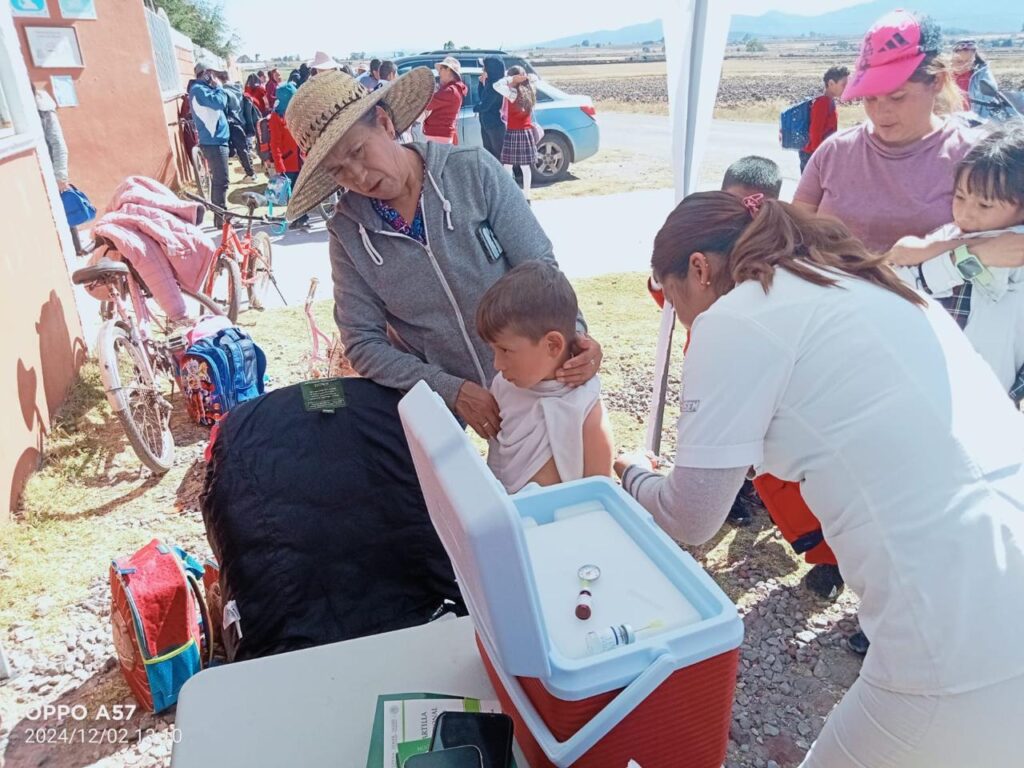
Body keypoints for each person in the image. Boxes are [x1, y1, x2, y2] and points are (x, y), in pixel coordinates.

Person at [615, 190, 1024, 767]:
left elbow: (692, 517)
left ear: (699, 270)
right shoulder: (853, 280)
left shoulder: (737, 317)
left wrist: (632, 472)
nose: (676, 311)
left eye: (669, 295)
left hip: (955, 629)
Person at [281, 69, 602, 439]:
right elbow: (363, 341)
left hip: (531, 372)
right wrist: (448, 388)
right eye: (338, 170)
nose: (359, 176)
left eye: (358, 151)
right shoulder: (348, 231)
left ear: (384, 123)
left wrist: (575, 334)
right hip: (442, 403)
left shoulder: (473, 171)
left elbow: (540, 268)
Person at [794, 10, 975, 253]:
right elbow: (794, 233)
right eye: (870, 98)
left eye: (897, 97)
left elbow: (1000, 246)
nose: (881, 112)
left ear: (937, 82)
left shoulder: (973, 158)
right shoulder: (834, 152)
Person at [889, 126, 1024, 401]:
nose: (965, 213)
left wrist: (941, 260)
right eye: (959, 197)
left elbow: (912, 276)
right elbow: (897, 262)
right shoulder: (955, 234)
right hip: (934, 381)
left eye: (985, 205)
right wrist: (973, 252)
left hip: (983, 391)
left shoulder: (1014, 250)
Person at [477, 261, 613, 493]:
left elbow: (599, 495)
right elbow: (497, 461)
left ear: (552, 345)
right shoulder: (503, 386)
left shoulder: (587, 408)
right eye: (493, 351)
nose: (497, 365)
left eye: (505, 350)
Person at [189, 61, 231, 225]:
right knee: (221, 180)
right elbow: (220, 103)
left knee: (219, 180)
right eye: (213, 73)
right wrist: (219, 87)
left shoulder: (204, 89)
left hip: (216, 141)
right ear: (206, 73)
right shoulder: (198, 90)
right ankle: (220, 218)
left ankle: (221, 216)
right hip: (213, 142)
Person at [494, 66, 540, 202]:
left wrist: (510, 79)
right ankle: (527, 196)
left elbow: (496, 85)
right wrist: (527, 77)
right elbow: (535, 78)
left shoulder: (512, 93)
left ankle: (510, 195)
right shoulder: (530, 90)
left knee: (507, 165)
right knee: (525, 167)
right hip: (526, 132)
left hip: (513, 131)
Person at [269, 82, 308, 229]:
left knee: (300, 190)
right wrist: (279, 165)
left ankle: (302, 217)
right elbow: (275, 143)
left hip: (301, 159)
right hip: (288, 162)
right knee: (291, 192)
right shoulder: (276, 117)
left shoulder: (297, 112)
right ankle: (298, 217)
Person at [799, 66, 849, 173]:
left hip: (817, 153)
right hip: (813, 155)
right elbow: (815, 131)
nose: (846, 87)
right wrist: (819, 157)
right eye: (843, 84)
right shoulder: (822, 103)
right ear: (831, 83)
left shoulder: (828, 101)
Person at [422, 57, 467, 145]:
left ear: (449, 70)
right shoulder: (453, 89)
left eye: (441, 69)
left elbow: (427, 104)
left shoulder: (450, 91)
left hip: (439, 134)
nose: (439, 72)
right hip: (440, 134)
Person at [223, 81, 259, 182]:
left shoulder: (225, 93)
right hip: (241, 123)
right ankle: (250, 173)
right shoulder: (240, 93)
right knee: (243, 150)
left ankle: (250, 174)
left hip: (229, 123)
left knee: (226, 151)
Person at [475, 55, 507, 161]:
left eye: (485, 67)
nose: (483, 70)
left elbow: (484, 105)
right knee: (489, 155)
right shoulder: (489, 83)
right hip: (487, 125)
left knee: (498, 156)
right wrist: (481, 83)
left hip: (495, 126)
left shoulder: (496, 86)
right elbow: (482, 98)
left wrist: (476, 108)